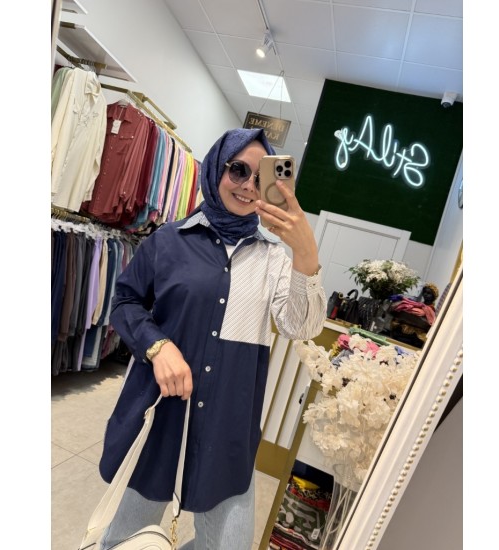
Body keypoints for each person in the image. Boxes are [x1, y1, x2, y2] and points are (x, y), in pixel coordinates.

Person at [97, 128, 327, 550]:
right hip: (160, 411)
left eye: (260, 176)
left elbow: (303, 327)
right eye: (238, 170)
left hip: (228, 424)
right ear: (216, 168)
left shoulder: (275, 259)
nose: (248, 185)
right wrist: (158, 346)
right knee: (126, 541)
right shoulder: (169, 240)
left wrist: (305, 253)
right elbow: (125, 301)